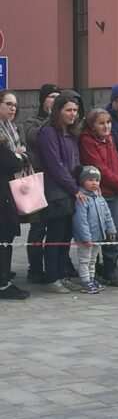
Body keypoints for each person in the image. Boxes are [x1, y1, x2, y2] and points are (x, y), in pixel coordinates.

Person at [36, 91, 86, 293]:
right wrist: (74, 188)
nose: (73, 114)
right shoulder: (48, 132)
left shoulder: (70, 134)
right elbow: (55, 165)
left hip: (69, 190)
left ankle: (62, 274)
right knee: (55, 236)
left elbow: (75, 163)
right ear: (58, 111)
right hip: (56, 191)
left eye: (75, 110)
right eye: (68, 110)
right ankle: (52, 278)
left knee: (66, 236)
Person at [78, 108, 118, 287]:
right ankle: (96, 269)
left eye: (108, 122)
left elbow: (117, 162)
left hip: (117, 193)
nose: (106, 126)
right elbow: (100, 169)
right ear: (92, 125)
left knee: (115, 232)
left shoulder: (108, 139)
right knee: (97, 233)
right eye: (101, 123)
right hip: (99, 193)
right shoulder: (87, 141)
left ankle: (110, 269)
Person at [22, 83, 59, 283]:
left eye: (57, 97)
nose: (54, 101)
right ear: (43, 100)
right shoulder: (33, 121)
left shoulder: (62, 122)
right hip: (37, 180)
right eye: (51, 97)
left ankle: (57, 266)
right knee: (38, 227)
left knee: (58, 227)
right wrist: (51, 121)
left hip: (57, 182)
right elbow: (33, 138)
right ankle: (34, 268)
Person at [0, 92, 29, 299]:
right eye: (8, 104)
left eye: (15, 105)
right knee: (3, 234)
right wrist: (20, 156)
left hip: (8, 188)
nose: (13, 108)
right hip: (2, 191)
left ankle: (4, 277)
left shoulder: (10, 129)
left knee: (8, 234)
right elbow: (11, 162)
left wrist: (20, 156)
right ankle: (2, 283)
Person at [71, 166, 116, 293]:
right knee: (84, 260)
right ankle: (85, 281)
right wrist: (86, 237)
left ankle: (91, 279)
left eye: (96, 180)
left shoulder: (99, 198)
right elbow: (80, 221)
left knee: (93, 260)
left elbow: (107, 215)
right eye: (90, 180)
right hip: (86, 238)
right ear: (82, 181)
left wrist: (111, 230)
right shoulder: (81, 199)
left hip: (98, 236)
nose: (94, 183)